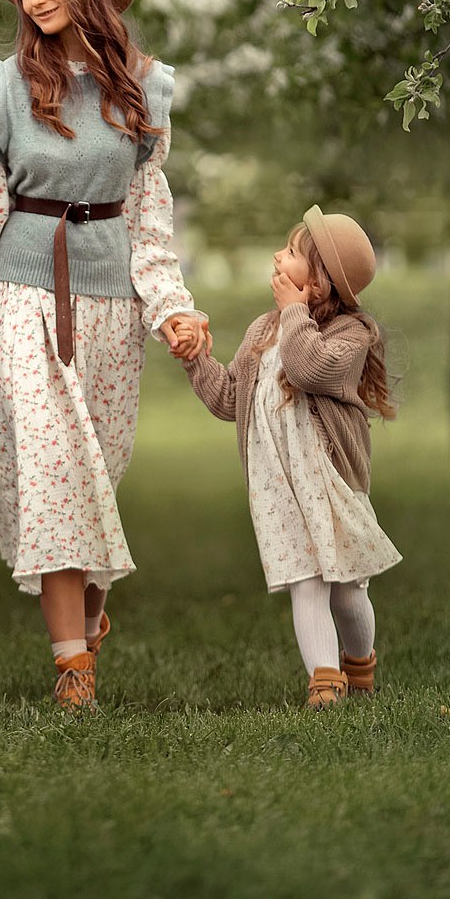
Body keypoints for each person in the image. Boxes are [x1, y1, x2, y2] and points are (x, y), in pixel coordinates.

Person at [0, 0, 208, 711]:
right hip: (20, 300)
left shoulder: (145, 90)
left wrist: (173, 310)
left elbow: (150, 223)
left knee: (96, 477)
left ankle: (88, 616)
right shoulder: (1, 90)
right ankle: (73, 673)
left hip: (109, 308)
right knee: (52, 475)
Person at [174, 206, 402, 709]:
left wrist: (294, 314)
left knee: (344, 591)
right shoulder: (262, 330)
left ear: (319, 282)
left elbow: (309, 369)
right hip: (278, 485)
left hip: (328, 483)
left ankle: (359, 662)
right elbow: (231, 400)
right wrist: (197, 359)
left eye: (294, 252)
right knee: (305, 580)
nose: (279, 256)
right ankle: (324, 682)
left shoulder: (350, 335)